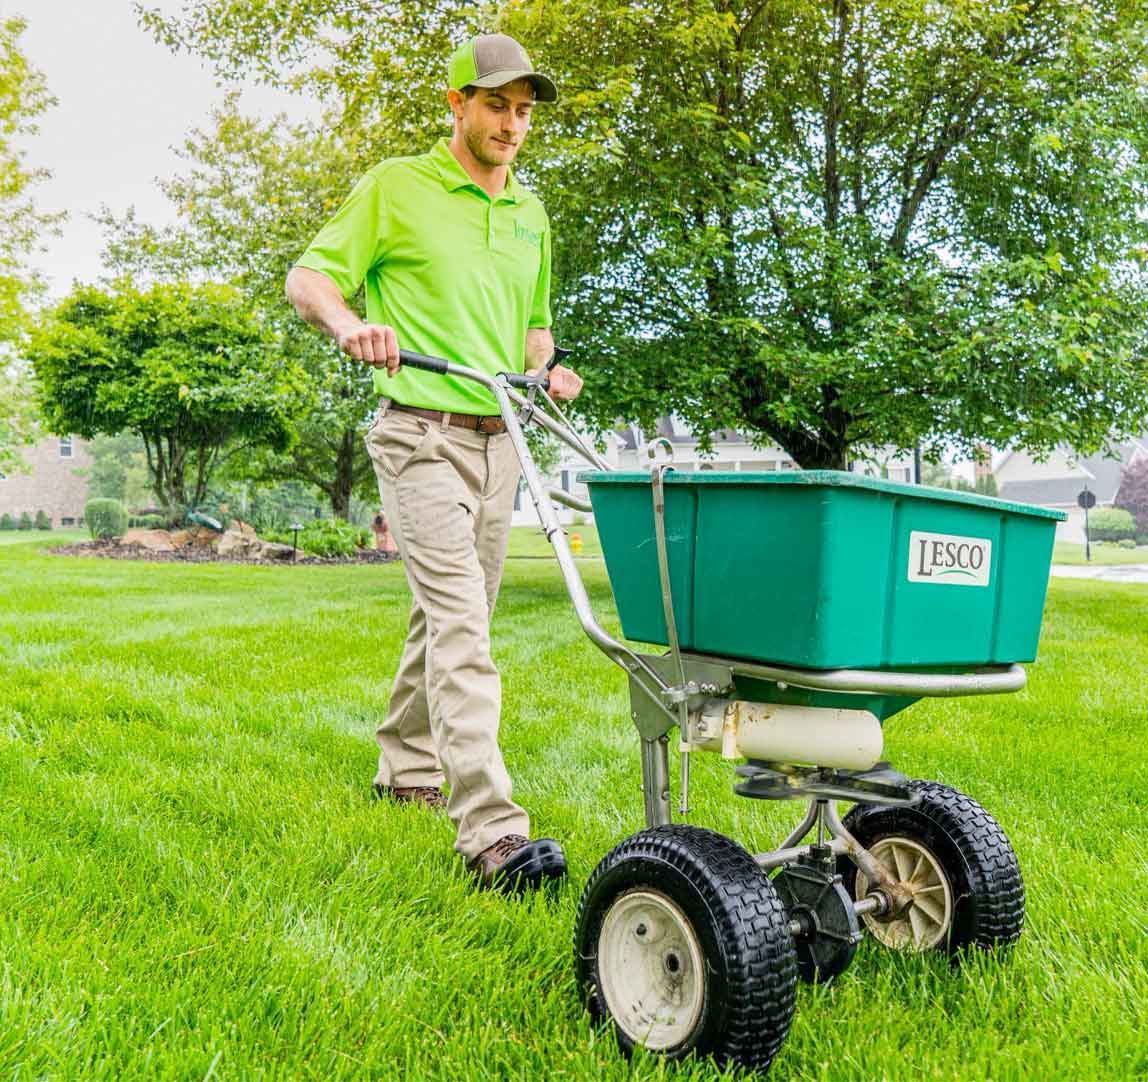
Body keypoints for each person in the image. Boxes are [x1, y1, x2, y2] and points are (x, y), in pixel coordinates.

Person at [285, 33, 582, 893]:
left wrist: (545, 371)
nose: (513, 125)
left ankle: (404, 764)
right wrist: (352, 327)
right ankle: (491, 829)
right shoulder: (397, 188)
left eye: (525, 111)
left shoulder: (530, 214)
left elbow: (533, 326)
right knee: (463, 628)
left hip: (501, 443)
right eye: (497, 105)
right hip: (419, 432)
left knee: (449, 613)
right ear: (456, 105)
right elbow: (311, 278)